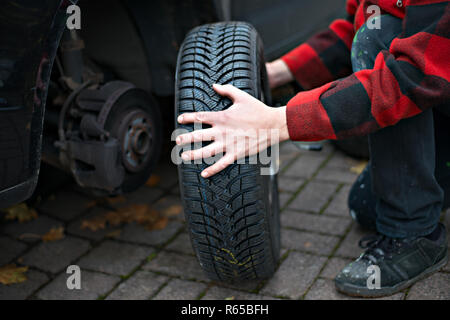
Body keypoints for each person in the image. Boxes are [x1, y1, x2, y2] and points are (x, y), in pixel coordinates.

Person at [175, 0, 449, 297]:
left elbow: (413, 78)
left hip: (430, 80)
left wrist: (278, 123)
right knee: (366, 208)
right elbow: (355, 27)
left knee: (377, 36)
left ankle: (416, 237)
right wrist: (274, 72)